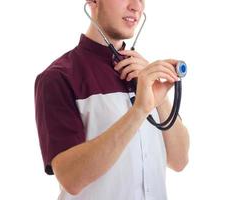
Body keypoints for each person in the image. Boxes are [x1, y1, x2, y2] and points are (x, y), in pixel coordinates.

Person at [34, 0, 190, 199]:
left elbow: (180, 160)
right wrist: (139, 110)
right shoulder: (58, 78)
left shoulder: (143, 74)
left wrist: (160, 100)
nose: (136, 6)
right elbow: (71, 178)